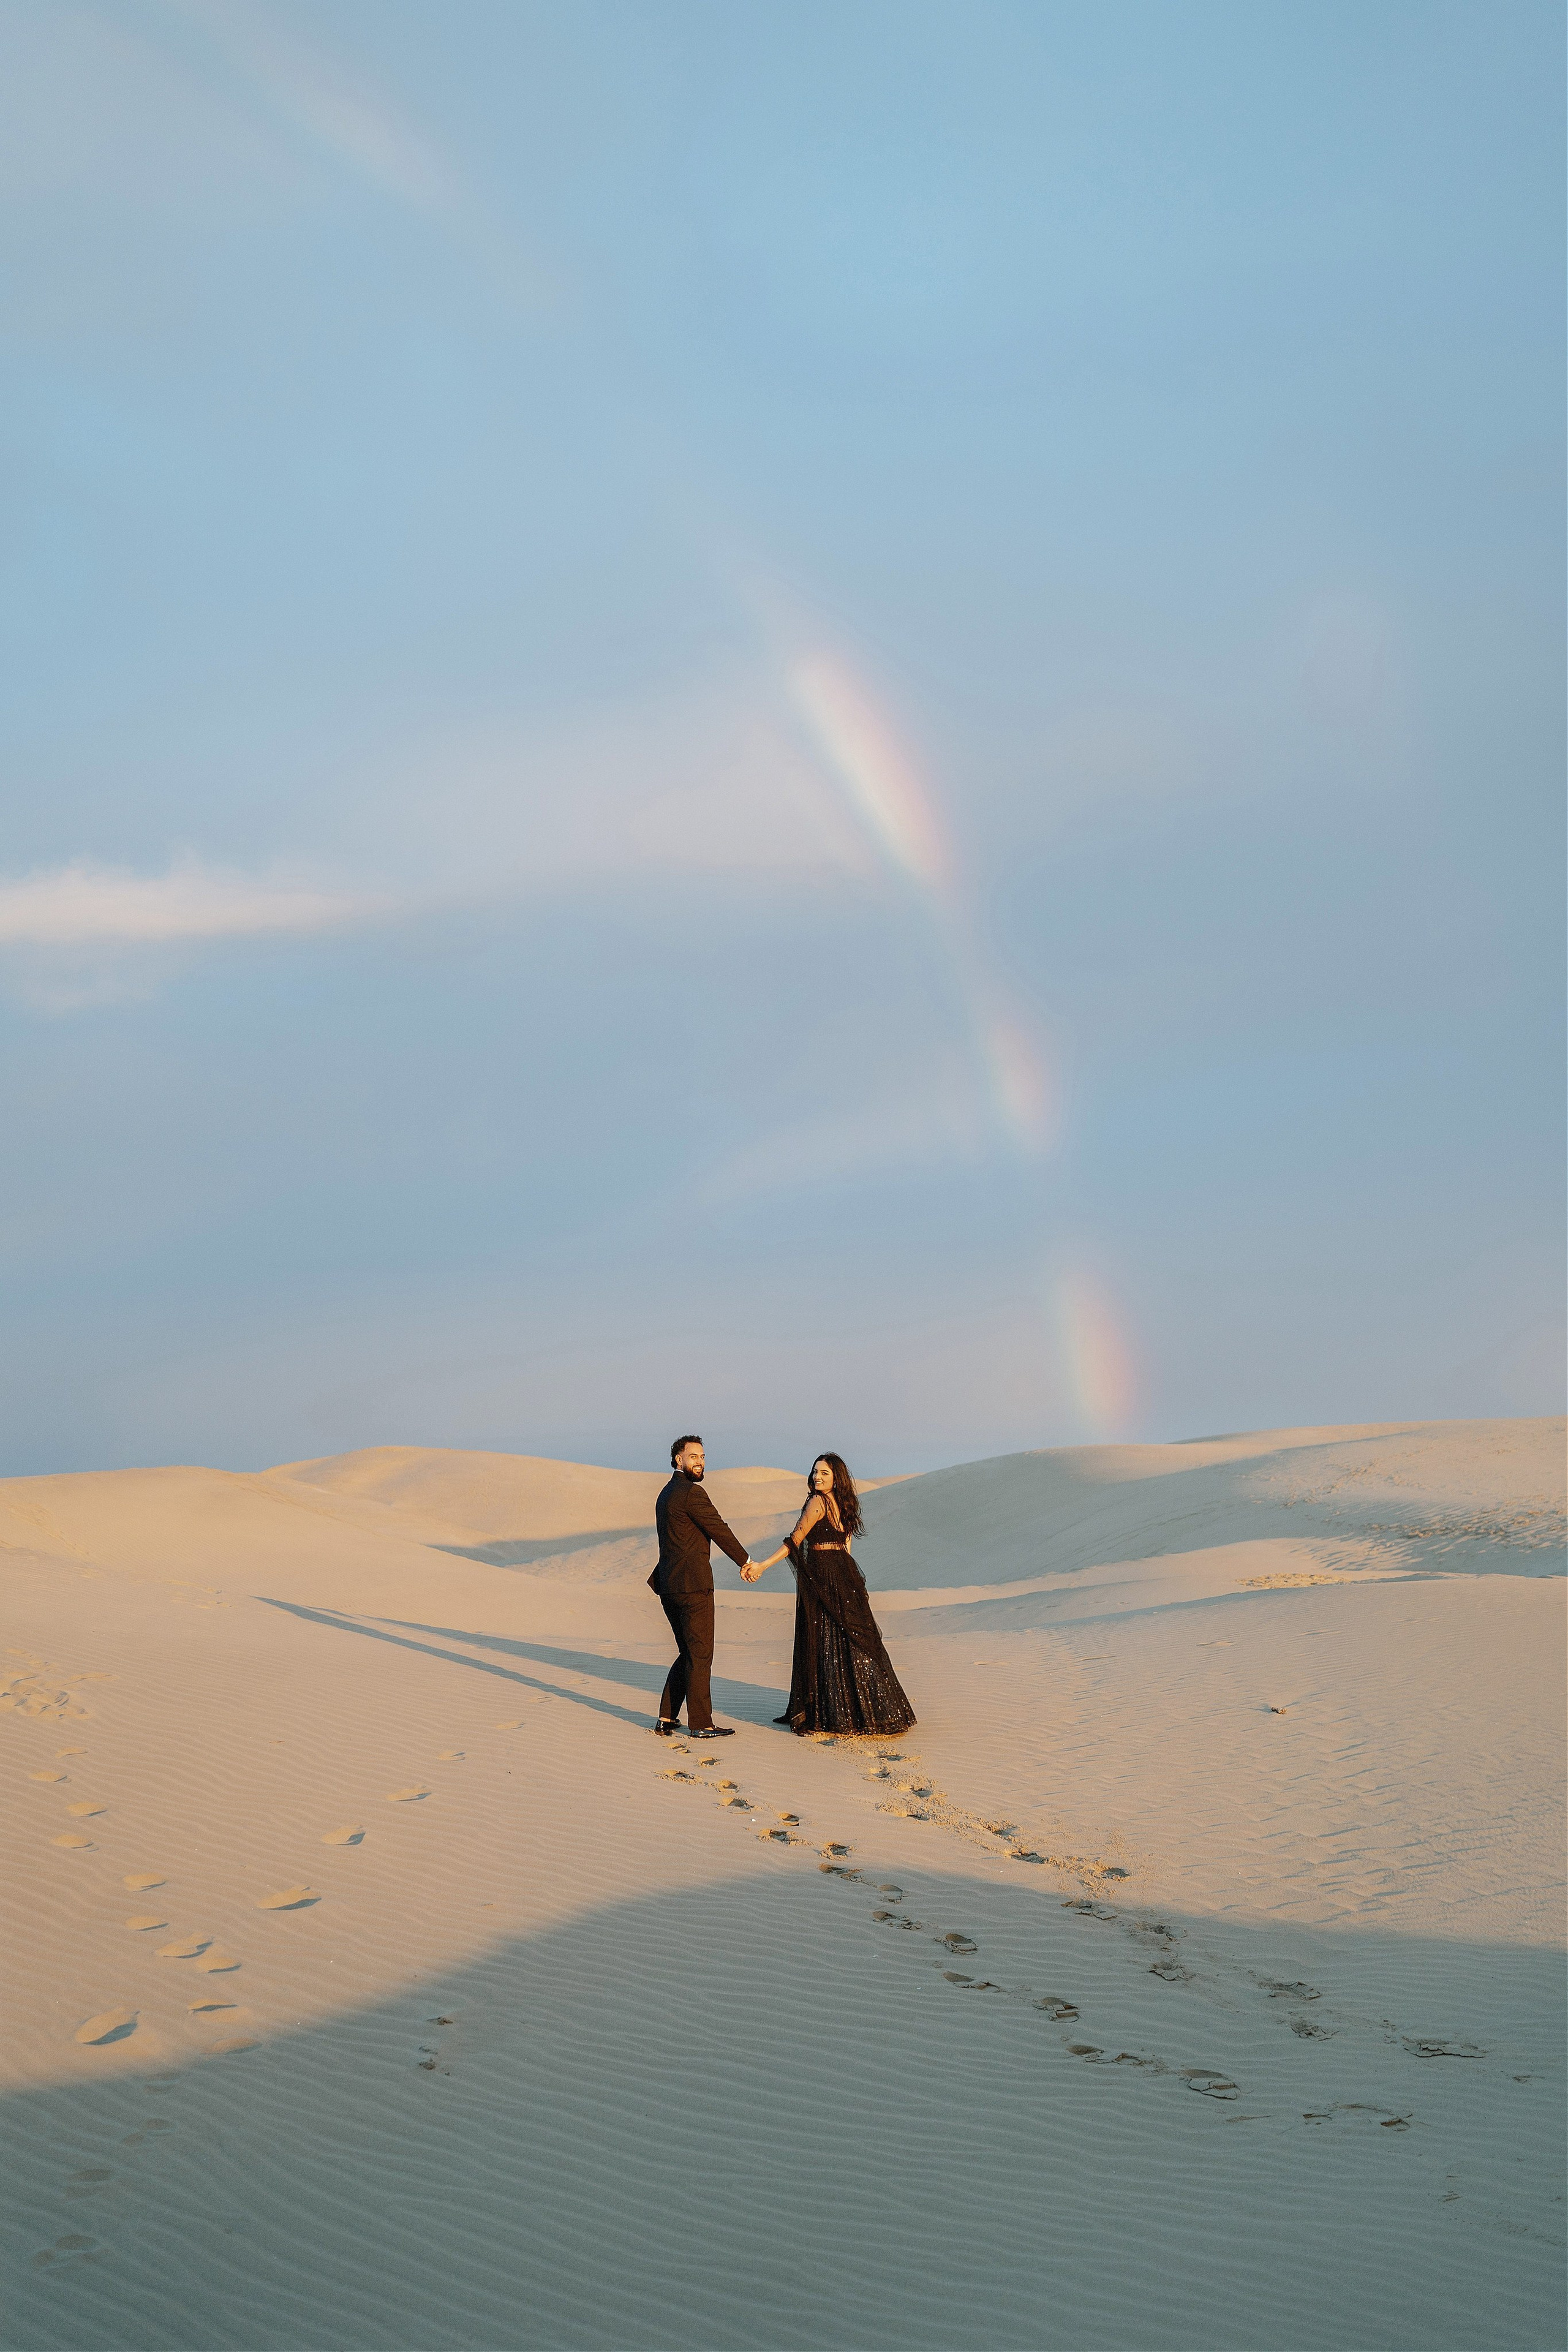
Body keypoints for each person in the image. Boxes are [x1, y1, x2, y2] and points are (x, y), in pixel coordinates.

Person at [742, 1452, 915, 1737]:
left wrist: (762, 1565)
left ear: (837, 1478)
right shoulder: (844, 1503)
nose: (817, 1477)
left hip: (824, 1576)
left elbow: (794, 1541)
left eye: (824, 1473)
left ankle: (834, 1711)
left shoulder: (818, 1501)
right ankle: (866, 1711)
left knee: (826, 1638)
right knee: (850, 1638)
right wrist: (852, 1580)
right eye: (815, 1472)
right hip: (842, 1573)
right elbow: (846, 1546)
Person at [648, 1434, 750, 1739]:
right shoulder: (692, 1493)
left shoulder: (665, 1494)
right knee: (701, 1655)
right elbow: (719, 1529)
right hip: (693, 1586)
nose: (700, 1462)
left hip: (669, 1586)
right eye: (693, 1456)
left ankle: (667, 1717)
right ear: (678, 1459)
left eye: (703, 1457)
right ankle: (702, 1724)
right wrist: (746, 1561)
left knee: (688, 1653)